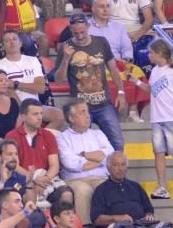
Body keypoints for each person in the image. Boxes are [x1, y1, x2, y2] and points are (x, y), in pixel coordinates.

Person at [130, 40, 173, 201]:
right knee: (158, 153)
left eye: (151, 53)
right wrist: (136, 82)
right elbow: (152, 90)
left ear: (159, 53)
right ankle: (162, 187)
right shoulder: (155, 71)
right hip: (157, 118)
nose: (149, 56)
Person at [54, 14, 126, 151]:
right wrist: (66, 59)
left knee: (117, 142)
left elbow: (113, 69)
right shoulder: (66, 47)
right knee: (82, 145)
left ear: (88, 26)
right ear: (70, 29)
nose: (80, 36)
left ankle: (118, 172)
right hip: (80, 106)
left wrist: (121, 92)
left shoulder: (101, 42)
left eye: (82, 32)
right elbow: (58, 80)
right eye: (76, 33)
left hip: (104, 104)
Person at [57, 100, 115, 227]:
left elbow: (111, 157)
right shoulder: (62, 137)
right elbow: (71, 164)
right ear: (71, 118)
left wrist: (83, 155)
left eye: (87, 112)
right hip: (75, 180)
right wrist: (99, 160)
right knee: (83, 190)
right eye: (82, 112)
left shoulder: (98, 134)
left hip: (100, 177)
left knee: (109, 187)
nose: (88, 115)